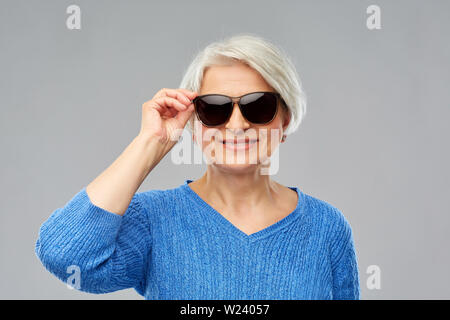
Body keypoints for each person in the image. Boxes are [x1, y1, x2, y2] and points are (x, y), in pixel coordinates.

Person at [35, 34, 360, 299]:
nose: (236, 125)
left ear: (285, 120)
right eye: (215, 109)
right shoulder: (153, 220)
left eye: (258, 106)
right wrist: (149, 143)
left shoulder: (326, 228)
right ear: (193, 123)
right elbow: (65, 256)